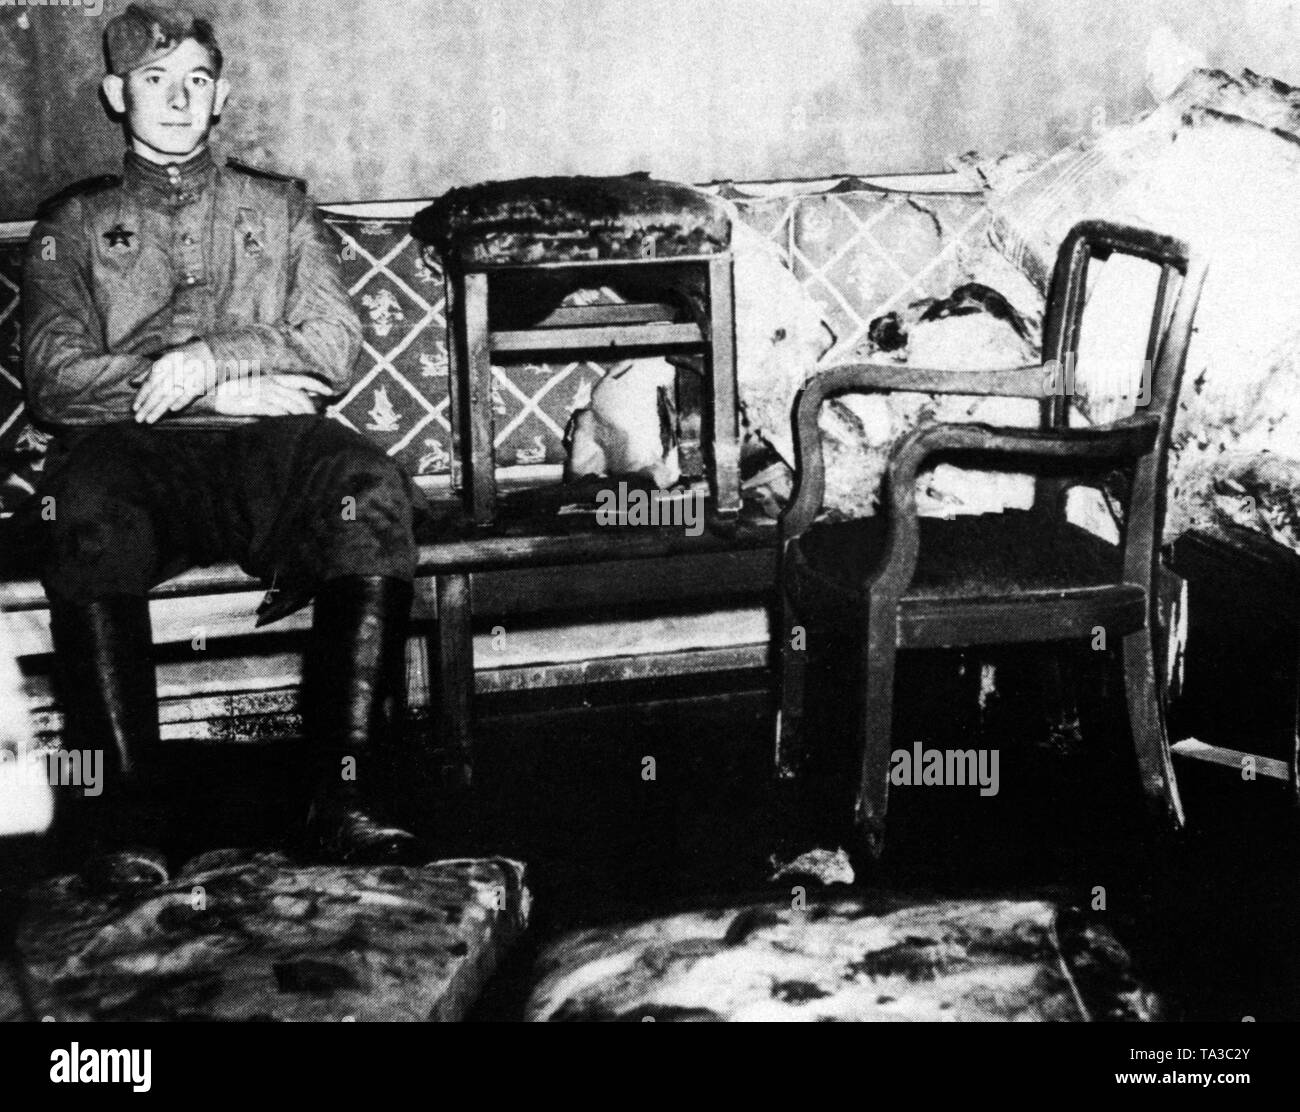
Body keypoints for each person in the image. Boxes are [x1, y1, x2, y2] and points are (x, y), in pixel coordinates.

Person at [21, 4, 424, 886]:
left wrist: (217, 360)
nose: (177, 99)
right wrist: (206, 381)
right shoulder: (73, 225)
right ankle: (127, 816)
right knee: (81, 507)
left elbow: (331, 345)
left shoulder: (279, 208)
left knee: (369, 482)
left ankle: (341, 797)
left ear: (222, 95)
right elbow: (54, 377)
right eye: (155, 82)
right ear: (115, 95)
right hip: (132, 452)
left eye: (196, 82)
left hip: (266, 449)